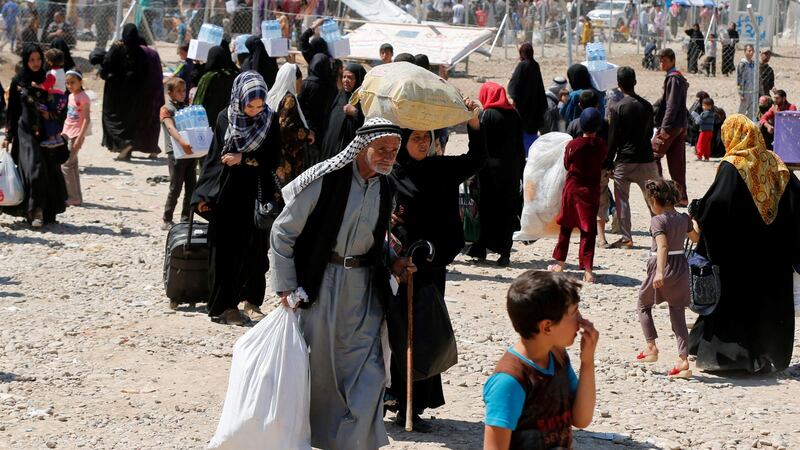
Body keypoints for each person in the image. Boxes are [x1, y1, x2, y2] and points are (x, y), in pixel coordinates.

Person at [269, 118, 416, 450]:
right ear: (363, 147)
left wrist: (394, 260)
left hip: (364, 288)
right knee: (320, 373)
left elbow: (377, 237)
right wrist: (285, 286)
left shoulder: (385, 185)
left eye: (394, 150)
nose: (389, 156)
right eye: (382, 149)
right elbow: (282, 232)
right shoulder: (328, 180)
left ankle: (353, 443)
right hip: (322, 285)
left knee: (371, 373)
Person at [386, 100, 485, 432]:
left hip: (430, 266)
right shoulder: (391, 172)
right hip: (396, 267)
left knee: (424, 331)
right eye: (415, 138)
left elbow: (476, 160)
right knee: (393, 331)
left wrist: (473, 124)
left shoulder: (440, 169)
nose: (422, 143)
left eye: (426, 137)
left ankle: (413, 405)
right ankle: (392, 398)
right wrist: (394, 258)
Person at [688, 114, 800, 374]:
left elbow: (717, 206)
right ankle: (761, 356)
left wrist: (699, 210)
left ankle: (731, 358)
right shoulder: (775, 162)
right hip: (771, 255)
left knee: (734, 302)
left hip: (737, 254)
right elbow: (795, 200)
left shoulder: (733, 164)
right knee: (760, 305)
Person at [192, 71, 281, 325]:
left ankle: (251, 301)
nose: (255, 110)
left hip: (256, 195)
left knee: (254, 251)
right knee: (225, 252)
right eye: (250, 105)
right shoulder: (224, 118)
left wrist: (245, 159)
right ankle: (225, 306)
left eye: (259, 105)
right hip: (227, 196)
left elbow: (273, 158)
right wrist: (202, 195)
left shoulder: (269, 120)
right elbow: (212, 159)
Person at [483, 270, 598, 450]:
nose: (581, 321)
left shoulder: (558, 357)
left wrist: (587, 362)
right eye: (575, 312)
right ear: (546, 326)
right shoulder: (510, 381)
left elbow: (581, 419)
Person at [635, 179, 699, 378]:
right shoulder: (683, 219)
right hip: (681, 266)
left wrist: (660, 272)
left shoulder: (658, 221)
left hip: (661, 265)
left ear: (655, 200)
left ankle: (651, 347)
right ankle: (683, 360)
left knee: (643, 305)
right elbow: (696, 238)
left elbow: (662, 246)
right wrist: (694, 220)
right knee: (677, 312)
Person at [2, 44, 68, 228]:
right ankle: (34, 211)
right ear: (25, 61)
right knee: (34, 168)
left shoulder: (49, 79)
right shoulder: (18, 81)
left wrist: (53, 115)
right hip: (25, 131)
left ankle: (47, 211)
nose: (36, 63)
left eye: (39, 59)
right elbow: (12, 111)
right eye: (32, 60)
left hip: (46, 132)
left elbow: (61, 103)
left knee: (49, 170)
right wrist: (8, 135)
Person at [467, 82, 524, 267]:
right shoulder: (514, 114)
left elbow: (480, 144)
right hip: (511, 171)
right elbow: (519, 146)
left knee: (487, 208)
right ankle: (504, 253)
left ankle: (481, 247)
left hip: (489, 172)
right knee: (508, 210)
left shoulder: (487, 115)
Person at [549, 108, 607, 283]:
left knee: (566, 226)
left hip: (573, 190)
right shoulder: (601, 145)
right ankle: (588, 270)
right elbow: (602, 160)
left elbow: (567, 164)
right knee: (588, 230)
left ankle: (560, 263)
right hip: (591, 191)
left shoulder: (573, 145)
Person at [606, 66, 658, 250]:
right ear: (635, 82)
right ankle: (658, 237)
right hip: (646, 159)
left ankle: (626, 238)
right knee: (653, 199)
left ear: (619, 85)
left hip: (625, 161)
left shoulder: (617, 108)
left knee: (622, 200)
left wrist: (608, 162)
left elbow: (613, 139)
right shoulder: (647, 106)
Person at [100, 24, 162, 160]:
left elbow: (107, 64)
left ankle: (124, 144)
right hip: (137, 94)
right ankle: (127, 150)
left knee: (111, 119)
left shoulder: (118, 47)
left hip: (116, 93)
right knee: (130, 121)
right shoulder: (142, 53)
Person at [266, 63, 313, 186]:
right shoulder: (289, 99)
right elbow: (286, 129)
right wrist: (307, 133)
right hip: (286, 157)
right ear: (293, 79)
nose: (301, 84)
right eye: (300, 80)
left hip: (274, 153)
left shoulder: (273, 95)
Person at [159, 78, 196, 231]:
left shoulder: (186, 108)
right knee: (176, 187)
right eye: (179, 91)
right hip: (176, 152)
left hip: (190, 152)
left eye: (184, 90)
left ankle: (186, 218)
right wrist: (182, 142)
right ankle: (167, 218)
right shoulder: (166, 109)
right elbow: (170, 128)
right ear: (170, 93)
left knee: (191, 186)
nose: (183, 94)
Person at [653, 48, 689, 206]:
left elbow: (672, 105)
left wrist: (665, 129)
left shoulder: (674, 79)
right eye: (660, 61)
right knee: (676, 163)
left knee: (653, 156)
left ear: (673, 61)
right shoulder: (676, 77)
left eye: (665, 61)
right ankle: (681, 197)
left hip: (672, 126)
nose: (662, 63)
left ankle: (661, 194)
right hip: (680, 125)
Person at [320, 63, 366, 162]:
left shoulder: (364, 100)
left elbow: (369, 122)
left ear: (358, 79)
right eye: (344, 77)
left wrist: (356, 113)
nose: (345, 80)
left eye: (350, 77)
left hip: (351, 154)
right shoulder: (340, 97)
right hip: (331, 153)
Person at [298, 52, 337, 166]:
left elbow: (300, 105)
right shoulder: (331, 85)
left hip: (308, 126)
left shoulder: (306, 84)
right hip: (325, 126)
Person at [507, 42, 547, 149]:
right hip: (534, 106)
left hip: (522, 107)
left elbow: (514, 85)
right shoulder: (535, 65)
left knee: (522, 133)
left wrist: (514, 99)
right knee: (532, 134)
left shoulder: (522, 65)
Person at [193, 46, 239, 135]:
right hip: (231, 120)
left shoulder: (208, 77)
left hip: (210, 122)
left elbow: (199, 101)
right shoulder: (235, 75)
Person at [61, 70, 90, 207]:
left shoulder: (83, 97)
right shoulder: (71, 96)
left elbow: (86, 120)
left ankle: (72, 197)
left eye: (73, 82)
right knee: (72, 166)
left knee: (66, 165)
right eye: (67, 83)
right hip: (68, 132)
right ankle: (76, 197)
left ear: (80, 82)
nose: (70, 85)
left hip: (76, 135)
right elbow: (69, 117)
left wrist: (80, 137)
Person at [38, 48, 68, 148]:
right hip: (62, 98)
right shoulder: (62, 71)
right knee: (54, 117)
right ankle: (58, 138)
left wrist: (36, 85)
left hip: (54, 98)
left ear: (49, 61)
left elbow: (46, 86)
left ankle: (51, 139)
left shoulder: (51, 74)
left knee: (48, 117)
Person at [736, 44, 757, 118]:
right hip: (745, 91)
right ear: (745, 52)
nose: (751, 52)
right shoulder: (742, 64)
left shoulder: (754, 64)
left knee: (752, 111)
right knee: (742, 110)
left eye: (752, 51)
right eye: (749, 51)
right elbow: (739, 79)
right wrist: (741, 93)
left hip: (753, 91)